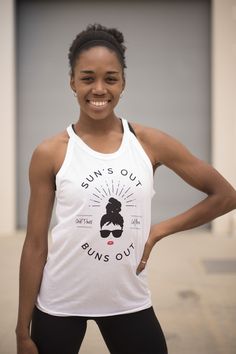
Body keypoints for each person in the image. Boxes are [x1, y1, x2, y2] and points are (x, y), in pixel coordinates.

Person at [15, 23, 236, 354]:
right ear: (72, 82)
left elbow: (226, 195)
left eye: (111, 78)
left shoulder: (148, 143)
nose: (99, 89)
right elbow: (34, 246)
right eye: (88, 78)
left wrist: (158, 230)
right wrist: (22, 330)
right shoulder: (52, 152)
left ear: (123, 83)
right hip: (60, 300)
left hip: (128, 301)